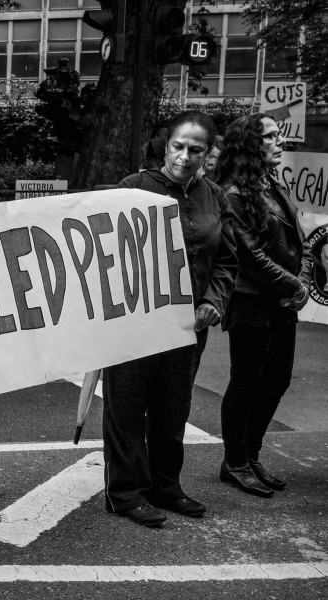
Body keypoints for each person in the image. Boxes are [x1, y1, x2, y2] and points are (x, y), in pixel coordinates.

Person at [102, 110, 237, 527]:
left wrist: (215, 300)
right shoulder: (132, 188)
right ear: (166, 145)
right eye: (179, 147)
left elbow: (226, 262)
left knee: (172, 408)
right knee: (126, 408)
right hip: (133, 326)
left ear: (207, 153)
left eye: (195, 150)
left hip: (187, 327)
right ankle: (124, 494)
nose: (185, 156)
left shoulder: (215, 197)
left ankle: (165, 485)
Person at [215, 114, 313, 498]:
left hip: (283, 300)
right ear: (250, 145)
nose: (281, 141)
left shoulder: (272, 185)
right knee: (246, 380)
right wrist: (294, 285)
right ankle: (235, 462)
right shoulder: (234, 194)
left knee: (276, 380)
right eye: (271, 136)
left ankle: (250, 456)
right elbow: (249, 256)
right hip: (251, 300)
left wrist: (302, 281)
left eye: (279, 134)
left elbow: (301, 240)